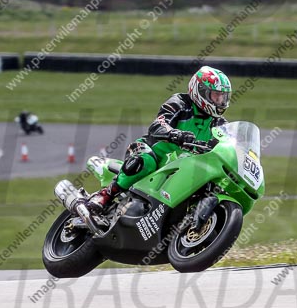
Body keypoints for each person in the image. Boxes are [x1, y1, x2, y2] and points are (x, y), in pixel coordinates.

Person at [88, 66, 232, 211]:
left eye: (223, 97)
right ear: (200, 91)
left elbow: (229, 146)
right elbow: (158, 124)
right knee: (146, 162)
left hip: (183, 166)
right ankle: (106, 195)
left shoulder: (219, 124)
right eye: (216, 96)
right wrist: (175, 134)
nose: (220, 101)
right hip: (153, 153)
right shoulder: (180, 103)